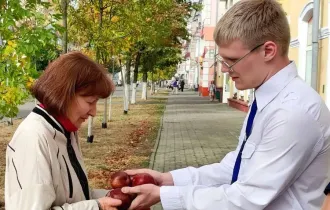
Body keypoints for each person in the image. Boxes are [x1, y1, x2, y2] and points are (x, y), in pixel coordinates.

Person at [120, 0, 330, 209]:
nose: (224, 70)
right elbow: (236, 167)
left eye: (232, 60)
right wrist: (169, 179)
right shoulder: (269, 99)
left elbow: (248, 198)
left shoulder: (291, 111)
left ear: (268, 51)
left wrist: (166, 196)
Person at [5, 52, 122, 210]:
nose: (94, 112)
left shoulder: (65, 131)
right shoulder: (34, 137)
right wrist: (97, 207)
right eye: (90, 102)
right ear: (64, 95)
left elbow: (75, 196)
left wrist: (114, 197)